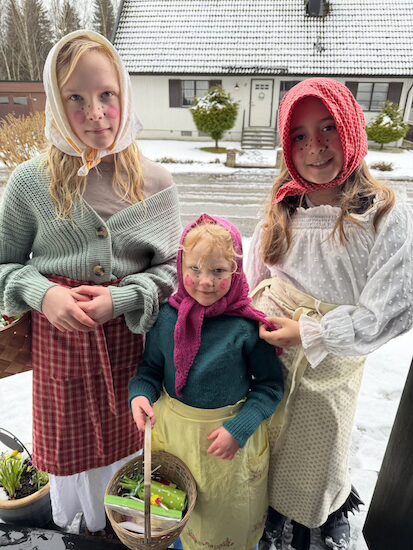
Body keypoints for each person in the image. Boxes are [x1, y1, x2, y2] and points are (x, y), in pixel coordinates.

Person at [0, 30, 181, 533]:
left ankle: (124, 527)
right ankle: (85, 526)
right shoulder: (31, 183)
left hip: (131, 352)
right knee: (74, 462)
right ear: (55, 105)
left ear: (125, 93)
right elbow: (2, 266)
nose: (95, 112)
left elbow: (173, 273)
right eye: (75, 98)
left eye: (107, 94)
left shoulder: (155, 183)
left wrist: (121, 299)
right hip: (60, 350)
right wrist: (44, 294)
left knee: (132, 452)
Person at [246, 78, 413, 550]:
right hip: (272, 354)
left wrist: (312, 332)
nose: (315, 147)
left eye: (328, 128)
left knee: (317, 449)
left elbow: (392, 307)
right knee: (269, 441)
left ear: (351, 129)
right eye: (299, 135)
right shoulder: (284, 207)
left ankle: (319, 514)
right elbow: (256, 276)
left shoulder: (381, 215)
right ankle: (268, 512)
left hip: (331, 360)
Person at [130, 214, 284, 550]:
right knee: (177, 513)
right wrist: (140, 396)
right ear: (181, 266)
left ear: (236, 271)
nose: (205, 281)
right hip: (175, 438)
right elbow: (150, 371)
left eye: (218, 271)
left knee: (223, 521)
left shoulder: (247, 327)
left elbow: (270, 386)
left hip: (228, 445)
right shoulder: (166, 318)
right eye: (195, 269)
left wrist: (239, 429)